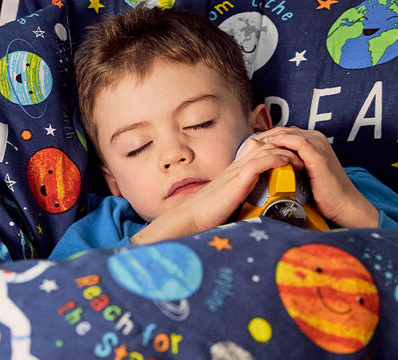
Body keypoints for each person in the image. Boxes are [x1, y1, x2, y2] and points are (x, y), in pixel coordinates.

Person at [48, 6, 398, 260]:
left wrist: (349, 207)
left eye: (199, 123)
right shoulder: (109, 232)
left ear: (259, 127)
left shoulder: (333, 183)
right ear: (113, 181)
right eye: (137, 147)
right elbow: (51, 310)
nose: (174, 154)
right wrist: (189, 220)